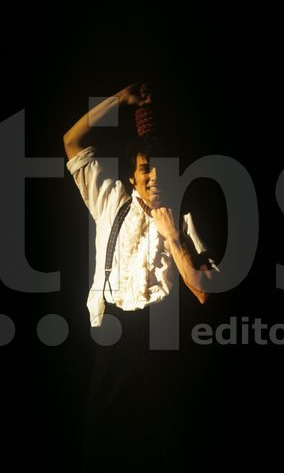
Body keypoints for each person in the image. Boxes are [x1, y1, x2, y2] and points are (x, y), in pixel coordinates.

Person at [63, 82, 220, 472]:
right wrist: (119, 100)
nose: (153, 177)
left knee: (167, 441)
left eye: (160, 168)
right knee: (100, 439)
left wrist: (172, 238)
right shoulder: (110, 199)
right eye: (145, 169)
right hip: (113, 334)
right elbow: (71, 140)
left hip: (161, 339)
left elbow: (204, 294)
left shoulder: (182, 217)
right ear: (132, 176)